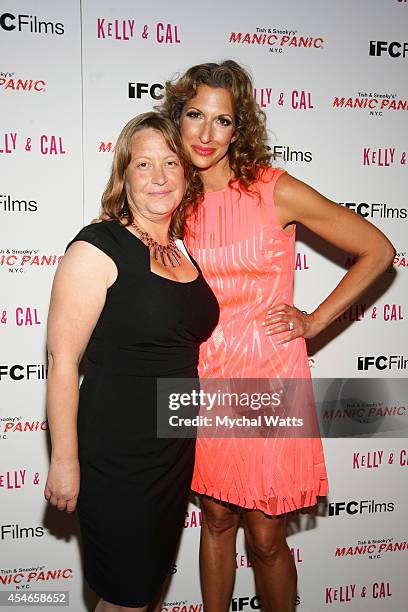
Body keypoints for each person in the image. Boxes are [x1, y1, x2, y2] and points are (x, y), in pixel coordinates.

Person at [159, 61, 396, 612]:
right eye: (195, 115)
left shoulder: (273, 190)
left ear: (239, 130)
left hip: (267, 375)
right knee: (215, 518)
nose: (206, 133)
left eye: (222, 121)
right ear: (178, 117)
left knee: (265, 536)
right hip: (205, 373)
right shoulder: (173, 198)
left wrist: (313, 322)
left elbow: (378, 250)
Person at [43, 112, 219, 612]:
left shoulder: (183, 252)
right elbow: (62, 362)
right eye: (144, 164)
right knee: (126, 598)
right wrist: (64, 461)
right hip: (117, 455)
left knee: (143, 595)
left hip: (172, 452)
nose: (160, 176)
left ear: (186, 174)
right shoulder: (98, 247)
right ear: (124, 175)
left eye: (170, 162)